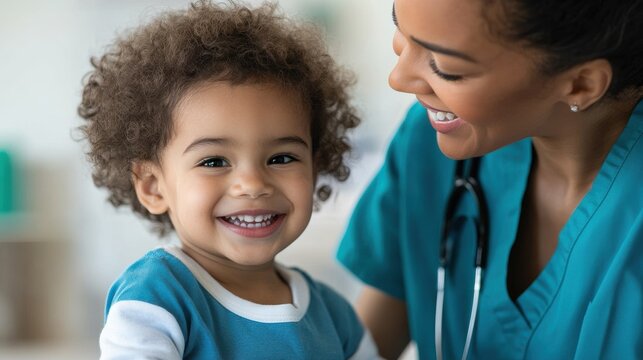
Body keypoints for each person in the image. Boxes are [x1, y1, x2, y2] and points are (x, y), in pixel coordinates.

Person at [337, 0, 642, 359]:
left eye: (446, 68)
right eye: (401, 30)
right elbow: (364, 347)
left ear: (581, 84)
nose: (398, 78)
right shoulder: (427, 147)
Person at [77, 1, 379, 359]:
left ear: (315, 167)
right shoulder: (158, 296)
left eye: (282, 158)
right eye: (215, 161)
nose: (252, 183)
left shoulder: (335, 316)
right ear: (153, 186)